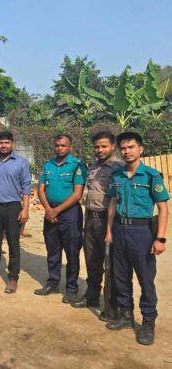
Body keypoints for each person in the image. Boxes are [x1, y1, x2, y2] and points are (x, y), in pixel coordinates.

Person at [104, 132, 169, 346]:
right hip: (119, 229)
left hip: (142, 232)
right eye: (123, 148)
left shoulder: (151, 176)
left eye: (131, 147)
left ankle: (148, 322)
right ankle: (126, 315)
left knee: (145, 278)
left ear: (141, 149)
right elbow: (113, 203)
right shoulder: (117, 175)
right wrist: (109, 230)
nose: (127, 152)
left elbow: (163, 209)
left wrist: (160, 239)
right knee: (121, 276)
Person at [71, 131, 123, 318]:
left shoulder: (119, 167)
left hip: (109, 220)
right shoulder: (92, 167)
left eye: (104, 146)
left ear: (113, 147)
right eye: (97, 147)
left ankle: (112, 303)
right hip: (91, 219)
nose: (100, 150)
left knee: (111, 264)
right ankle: (92, 296)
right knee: (92, 260)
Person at [34, 134, 86, 303]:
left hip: (70, 214)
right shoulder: (48, 165)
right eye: (57, 145)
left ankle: (71, 288)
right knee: (52, 250)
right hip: (50, 212)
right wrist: (49, 210)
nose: (60, 148)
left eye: (63, 145)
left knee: (72, 252)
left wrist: (56, 211)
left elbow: (77, 194)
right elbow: (41, 190)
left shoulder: (77, 165)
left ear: (70, 147)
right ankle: (53, 283)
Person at [0, 131, 31, 293]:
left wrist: (25, 209)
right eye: (1, 143)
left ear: (12, 144)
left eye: (7, 143)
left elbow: (26, 187)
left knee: (13, 243)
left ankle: (13, 278)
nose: (3, 145)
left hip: (13, 207)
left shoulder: (21, 163)